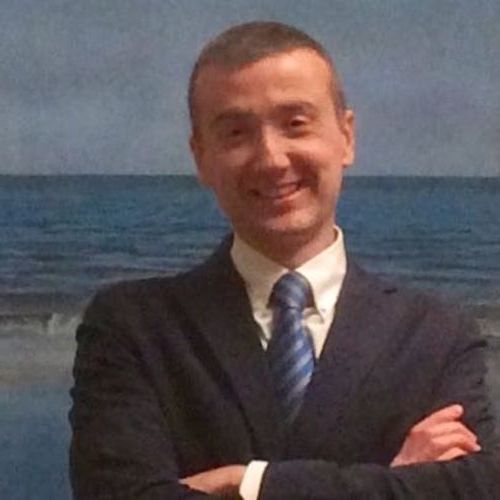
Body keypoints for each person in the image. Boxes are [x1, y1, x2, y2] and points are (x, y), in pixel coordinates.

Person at [69, 21, 499, 499]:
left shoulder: (434, 336)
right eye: (236, 133)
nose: (272, 159)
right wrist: (396, 484)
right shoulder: (135, 328)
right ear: (201, 157)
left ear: (346, 137)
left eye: (296, 124)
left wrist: (250, 482)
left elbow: (477, 488)